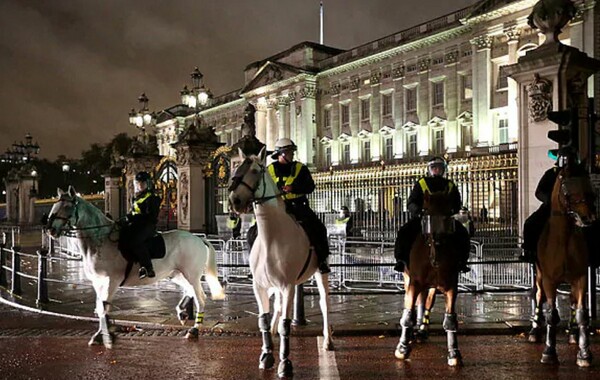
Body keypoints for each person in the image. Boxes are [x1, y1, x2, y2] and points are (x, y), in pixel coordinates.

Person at [394, 156, 471, 272]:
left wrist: (452, 211)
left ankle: (462, 261)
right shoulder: (422, 183)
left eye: (439, 168)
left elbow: (457, 203)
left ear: (443, 170)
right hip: (424, 219)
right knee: (404, 232)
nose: (436, 170)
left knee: (462, 234)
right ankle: (401, 260)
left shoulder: (449, 185)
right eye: (434, 168)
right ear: (429, 169)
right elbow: (411, 202)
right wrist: (418, 212)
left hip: (445, 220)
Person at [266, 138, 331, 273]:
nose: (292, 155)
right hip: (277, 208)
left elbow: (310, 187)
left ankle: (321, 260)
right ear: (281, 154)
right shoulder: (269, 170)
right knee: (254, 231)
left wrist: (293, 188)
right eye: (289, 152)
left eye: (292, 152)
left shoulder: (301, 168)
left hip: (298, 207)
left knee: (318, 229)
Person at [120, 171, 161, 279]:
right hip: (136, 224)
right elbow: (133, 212)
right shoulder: (137, 197)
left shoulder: (152, 197)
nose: (140, 185)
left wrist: (133, 218)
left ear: (148, 184)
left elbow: (151, 216)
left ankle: (148, 267)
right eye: (138, 183)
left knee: (135, 241)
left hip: (147, 226)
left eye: (142, 183)